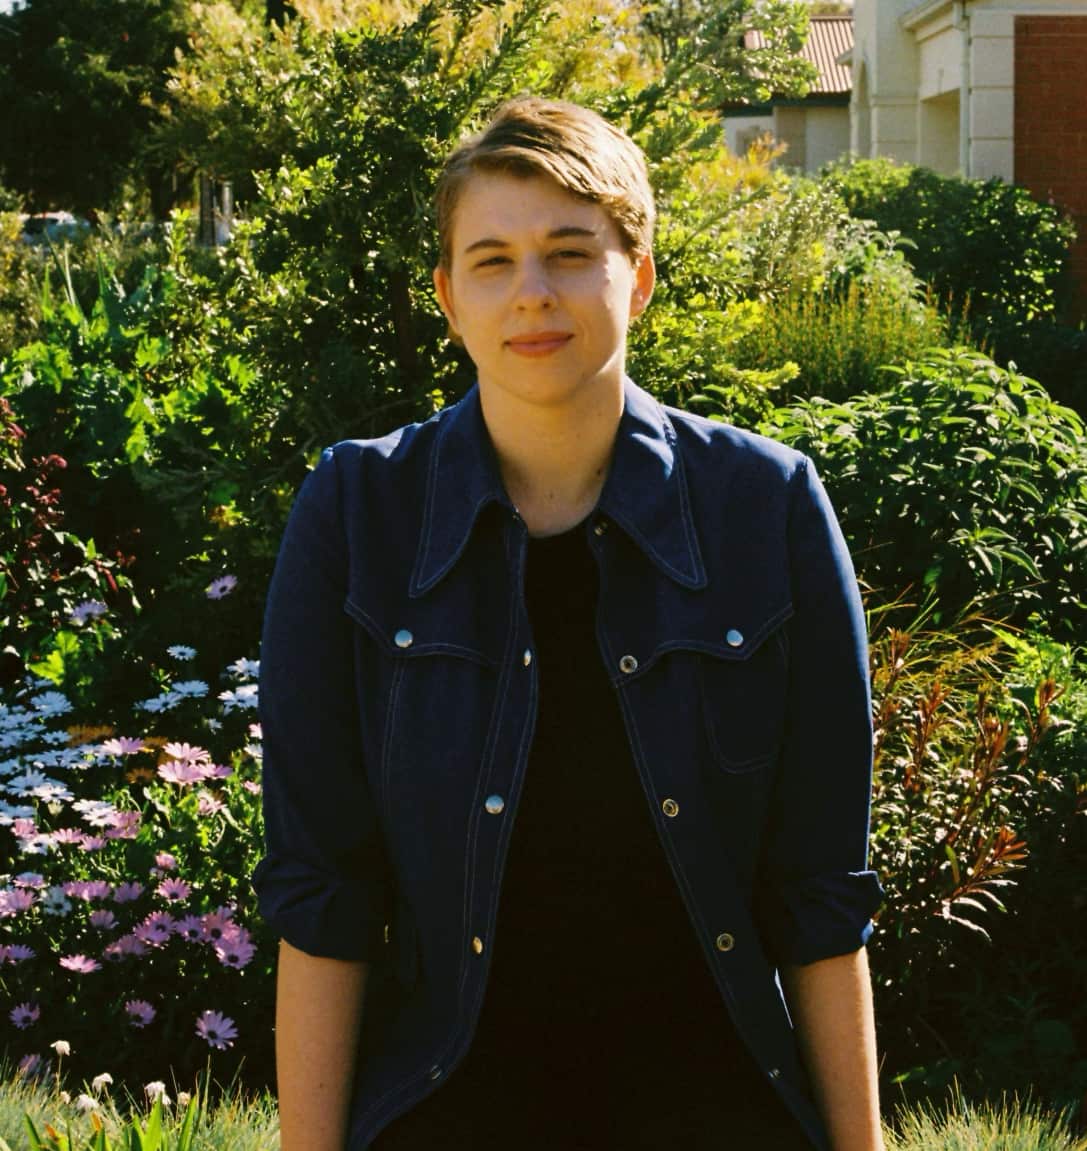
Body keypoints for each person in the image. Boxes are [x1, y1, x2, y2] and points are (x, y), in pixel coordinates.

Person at [252, 97, 886, 1151]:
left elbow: (819, 893)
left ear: (637, 277)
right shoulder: (357, 512)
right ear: (449, 298)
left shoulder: (765, 507)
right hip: (446, 1108)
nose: (532, 292)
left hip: (714, 1107)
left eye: (570, 252)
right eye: (492, 260)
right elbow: (325, 891)